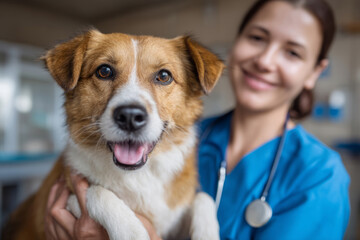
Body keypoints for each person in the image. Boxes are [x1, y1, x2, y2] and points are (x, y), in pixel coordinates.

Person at [45, 0, 350, 239]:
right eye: (257, 38)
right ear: (236, 42)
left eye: (293, 53)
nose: (265, 61)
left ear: (314, 72)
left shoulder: (319, 177)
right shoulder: (192, 137)